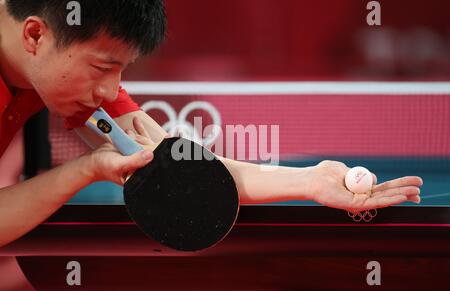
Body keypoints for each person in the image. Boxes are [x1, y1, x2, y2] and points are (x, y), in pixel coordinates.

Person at [0, 0, 422, 248]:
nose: (112, 93)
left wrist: (310, 180)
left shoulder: (66, 77)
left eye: (123, 70)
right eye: (102, 67)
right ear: (36, 36)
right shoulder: (64, 76)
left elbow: (181, 171)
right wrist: (85, 170)